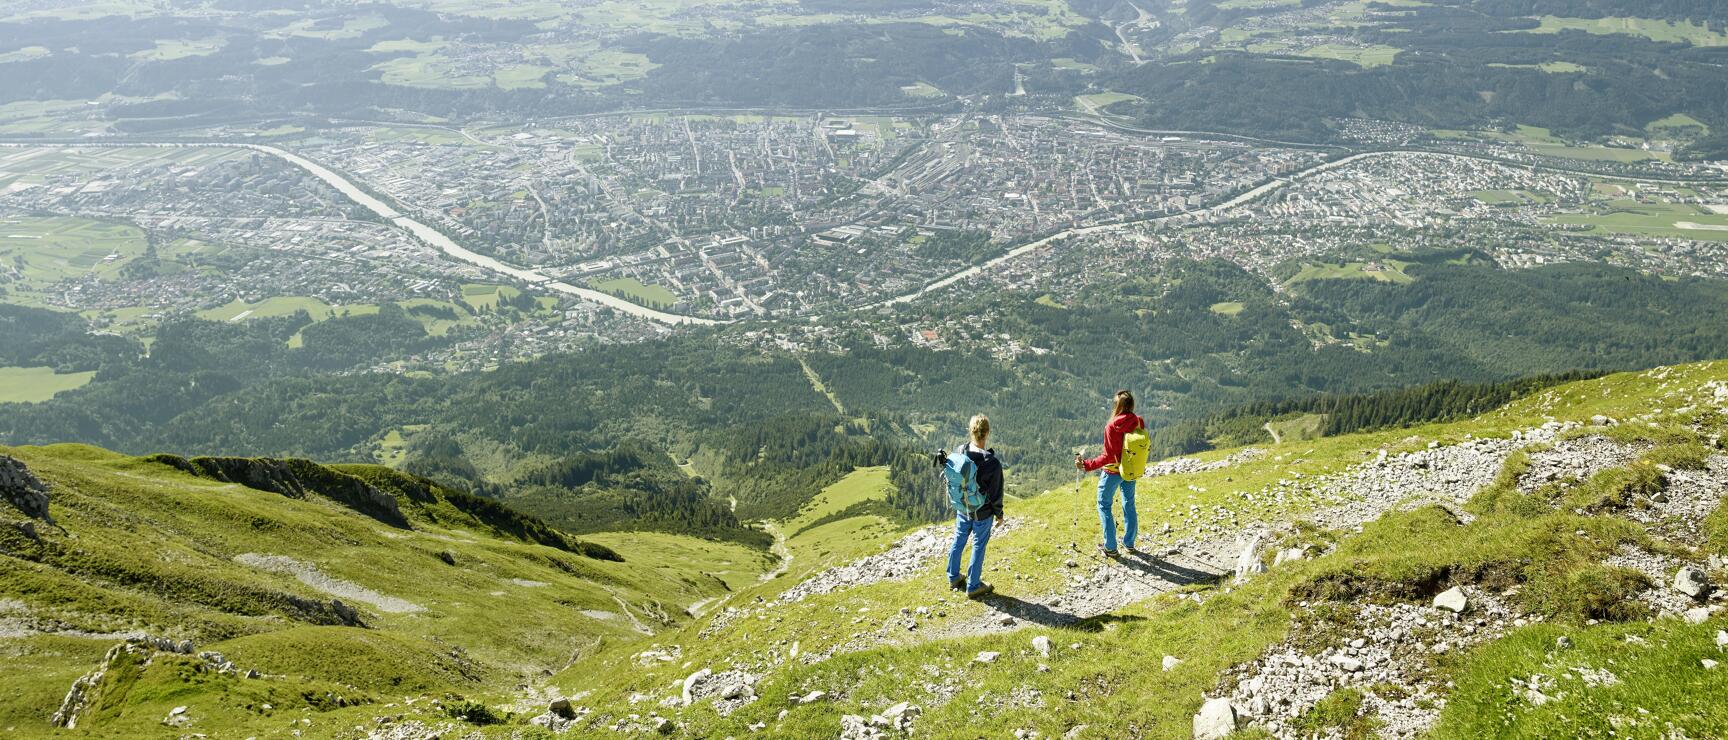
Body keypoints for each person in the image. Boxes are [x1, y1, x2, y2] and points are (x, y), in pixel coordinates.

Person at [1076, 390, 1145, 556]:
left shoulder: (1111, 426)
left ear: (1117, 406)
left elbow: (1107, 456)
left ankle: (1111, 547)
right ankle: (1129, 543)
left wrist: (1085, 465)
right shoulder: (1138, 421)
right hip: (1130, 470)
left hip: (1113, 471)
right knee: (1129, 503)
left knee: (1104, 505)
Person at [947, 414, 1004, 599]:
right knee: (979, 545)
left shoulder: (960, 450)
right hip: (983, 512)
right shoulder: (992, 463)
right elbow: (996, 494)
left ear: (970, 431)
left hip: (963, 508)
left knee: (959, 539)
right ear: (987, 433)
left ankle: (954, 577)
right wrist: (999, 514)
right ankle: (973, 586)